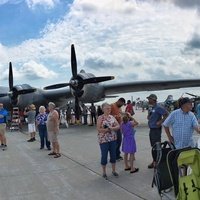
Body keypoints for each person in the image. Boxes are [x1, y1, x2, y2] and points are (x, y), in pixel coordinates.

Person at [97, 102, 120, 179]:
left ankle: (113, 171)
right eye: (107, 108)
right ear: (102, 109)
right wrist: (107, 130)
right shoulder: (100, 118)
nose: (109, 109)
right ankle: (104, 172)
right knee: (104, 156)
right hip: (104, 140)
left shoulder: (112, 117)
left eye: (110, 108)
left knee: (113, 155)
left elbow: (118, 126)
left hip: (113, 139)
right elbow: (98, 129)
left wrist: (112, 128)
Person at [147, 94, 168, 169]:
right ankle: (155, 161)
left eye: (149, 99)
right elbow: (149, 116)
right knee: (154, 147)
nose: (148, 100)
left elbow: (166, 114)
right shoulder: (151, 107)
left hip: (156, 130)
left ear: (153, 99)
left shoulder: (158, 107)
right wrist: (149, 116)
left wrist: (160, 121)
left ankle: (157, 162)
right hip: (152, 129)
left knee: (157, 146)